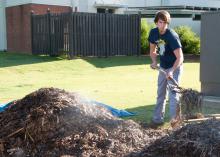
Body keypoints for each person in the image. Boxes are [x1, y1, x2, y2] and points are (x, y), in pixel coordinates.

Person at [148, 10, 184, 126]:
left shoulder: (172, 36)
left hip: (175, 66)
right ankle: (157, 120)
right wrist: (154, 61)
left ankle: (175, 123)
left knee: (173, 96)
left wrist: (172, 71)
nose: (162, 25)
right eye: (160, 22)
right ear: (156, 22)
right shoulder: (153, 33)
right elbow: (152, 51)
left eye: (164, 23)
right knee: (160, 94)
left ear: (167, 23)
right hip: (163, 67)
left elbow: (180, 57)